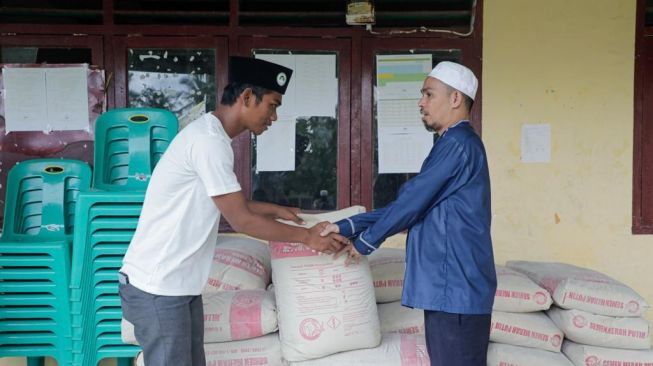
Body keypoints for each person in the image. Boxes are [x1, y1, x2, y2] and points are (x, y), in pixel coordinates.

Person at [119, 56, 349, 366]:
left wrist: (275, 210)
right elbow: (240, 218)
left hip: (177, 286)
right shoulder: (208, 142)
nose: (275, 116)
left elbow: (228, 201)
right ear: (247, 98)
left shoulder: (211, 137)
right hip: (159, 287)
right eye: (273, 104)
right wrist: (306, 237)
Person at [323, 61, 496, 366]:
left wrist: (364, 242)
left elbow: (411, 204)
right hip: (452, 289)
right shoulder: (453, 144)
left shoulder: (458, 144)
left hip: (454, 288)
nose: (421, 102)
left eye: (429, 94)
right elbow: (411, 204)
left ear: (455, 99)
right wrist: (348, 226)